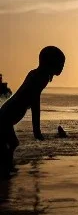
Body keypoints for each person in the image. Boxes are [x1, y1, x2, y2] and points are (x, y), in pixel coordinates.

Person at [0, 46, 65, 177]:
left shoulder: (36, 74)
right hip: (5, 117)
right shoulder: (40, 78)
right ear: (51, 63)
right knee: (11, 143)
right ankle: (6, 172)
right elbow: (35, 102)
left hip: (5, 115)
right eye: (61, 64)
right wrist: (37, 130)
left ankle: (7, 170)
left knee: (10, 144)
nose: (62, 67)